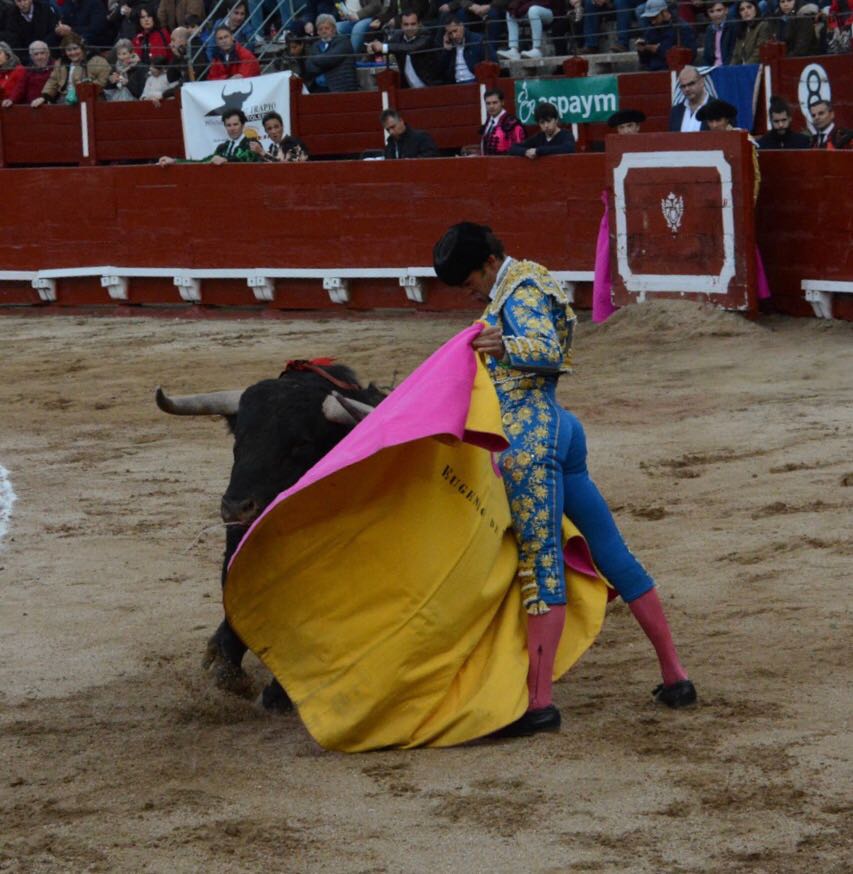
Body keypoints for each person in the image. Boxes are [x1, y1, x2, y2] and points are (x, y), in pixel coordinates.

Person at [433, 222, 697, 735]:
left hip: (530, 437)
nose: (469, 292)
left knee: (540, 562)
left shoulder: (519, 289)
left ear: (489, 263)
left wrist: (503, 344)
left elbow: (547, 350)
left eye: (469, 281)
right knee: (612, 551)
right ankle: (675, 677)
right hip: (558, 429)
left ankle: (539, 705)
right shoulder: (530, 279)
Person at [592, 109, 645, 323]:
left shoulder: (649, 148)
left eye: (629, 126)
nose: (626, 131)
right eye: (622, 127)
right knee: (608, 260)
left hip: (643, 214)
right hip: (616, 213)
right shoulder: (612, 151)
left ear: (638, 127)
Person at [366, 9, 443, 89]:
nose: (409, 28)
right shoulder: (398, 36)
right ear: (401, 25)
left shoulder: (426, 35)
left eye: (413, 24)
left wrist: (383, 47)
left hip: (431, 87)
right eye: (406, 24)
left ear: (419, 24)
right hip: (409, 89)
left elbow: (412, 48)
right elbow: (386, 49)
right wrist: (374, 48)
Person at [158, 107, 263, 163]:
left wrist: (226, 160)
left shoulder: (252, 143)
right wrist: (175, 161)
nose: (232, 128)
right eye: (228, 125)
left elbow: (244, 160)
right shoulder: (223, 147)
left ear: (243, 125)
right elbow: (203, 162)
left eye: (235, 124)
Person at [31, 31, 110, 105]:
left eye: (75, 49)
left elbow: (102, 80)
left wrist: (82, 91)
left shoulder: (96, 61)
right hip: (64, 100)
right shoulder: (61, 63)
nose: (72, 53)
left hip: (90, 100)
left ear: (82, 48)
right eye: (69, 50)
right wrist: (45, 97)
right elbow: (53, 81)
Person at [635, 0, 695, 72]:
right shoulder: (650, 31)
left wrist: (659, 50)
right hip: (653, 73)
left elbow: (690, 55)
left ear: (665, 12)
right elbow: (645, 62)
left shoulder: (682, 28)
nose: (652, 21)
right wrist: (642, 51)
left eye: (655, 17)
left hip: (675, 73)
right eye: (650, 18)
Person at [305, 13, 359, 92]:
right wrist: (326, 65)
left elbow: (329, 59)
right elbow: (309, 66)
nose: (324, 31)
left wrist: (316, 60)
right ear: (318, 32)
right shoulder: (315, 45)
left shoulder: (343, 41)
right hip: (318, 89)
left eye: (327, 28)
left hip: (339, 88)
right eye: (320, 29)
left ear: (334, 29)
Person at [508, 100, 575, 158]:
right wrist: (525, 152)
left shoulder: (566, 135)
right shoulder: (539, 138)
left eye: (549, 121)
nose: (546, 125)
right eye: (542, 122)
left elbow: (568, 148)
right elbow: (512, 148)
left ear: (556, 120)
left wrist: (538, 151)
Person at [440, 12, 493, 83]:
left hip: (474, 81)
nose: (454, 36)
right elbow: (442, 71)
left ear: (462, 26)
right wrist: (447, 50)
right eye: (450, 33)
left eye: (455, 31)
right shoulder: (450, 46)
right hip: (456, 84)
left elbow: (492, 62)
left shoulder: (478, 40)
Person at [480, 88, 525, 155]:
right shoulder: (488, 122)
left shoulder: (512, 124)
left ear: (502, 102)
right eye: (488, 103)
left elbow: (519, 149)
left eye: (495, 103)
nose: (491, 106)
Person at [669, 64, 709, 132]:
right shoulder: (676, 111)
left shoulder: (716, 108)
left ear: (702, 82)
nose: (687, 89)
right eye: (683, 86)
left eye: (691, 84)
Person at [702, 0, 736, 66]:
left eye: (719, 10)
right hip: (712, 68)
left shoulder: (733, 26)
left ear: (726, 10)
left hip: (728, 68)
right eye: (711, 11)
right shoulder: (709, 29)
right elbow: (706, 57)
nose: (715, 14)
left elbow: (733, 54)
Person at [0, 42, 27, 106]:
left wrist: (11, 99)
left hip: (15, 108)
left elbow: (20, 90)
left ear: (7, 55)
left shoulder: (19, 69)